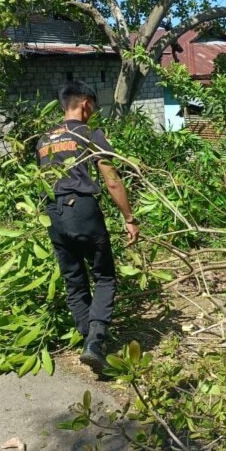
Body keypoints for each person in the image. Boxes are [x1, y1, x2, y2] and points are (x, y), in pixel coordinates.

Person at [36, 80, 139, 374]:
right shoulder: (90, 134)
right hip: (82, 208)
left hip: (53, 212)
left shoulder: (43, 139)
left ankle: (90, 343)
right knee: (104, 275)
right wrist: (129, 218)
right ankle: (95, 341)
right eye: (93, 106)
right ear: (85, 104)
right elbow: (111, 179)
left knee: (74, 279)